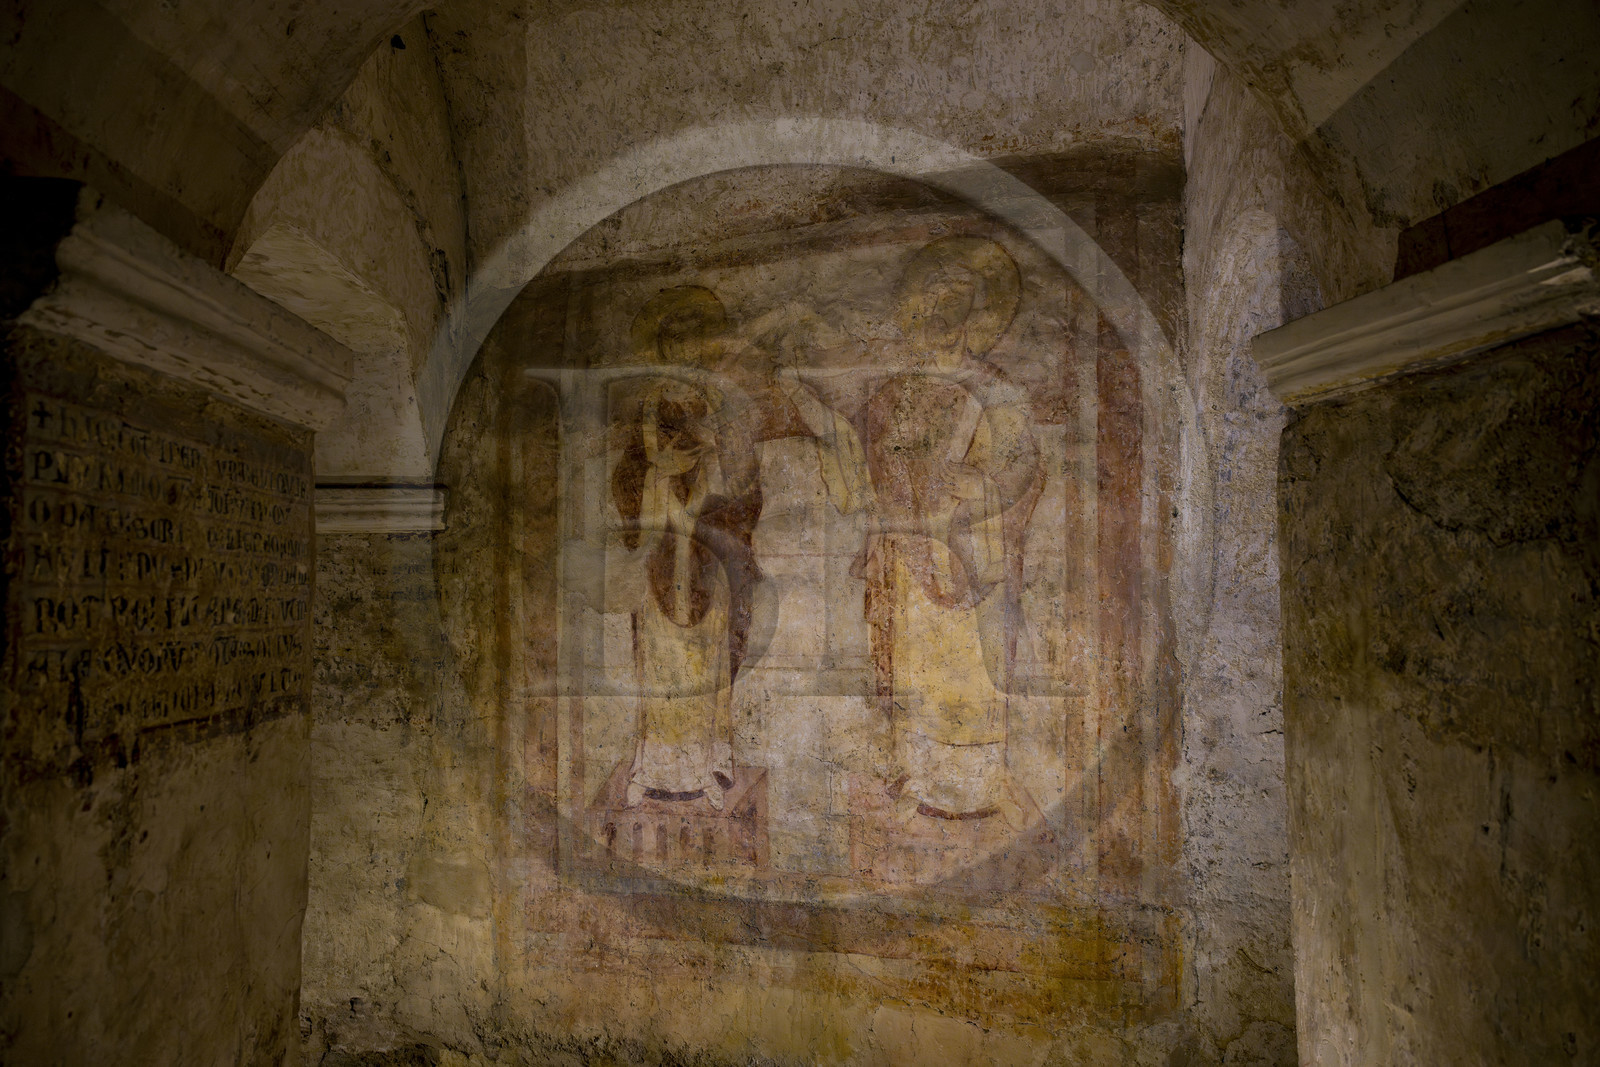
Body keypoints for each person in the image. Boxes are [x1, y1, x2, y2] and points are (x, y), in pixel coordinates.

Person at [856, 236, 1044, 829]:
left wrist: (984, 491)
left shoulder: (998, 392)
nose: (939, 314)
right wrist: (906, 508)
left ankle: (977, 785)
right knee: (913, 664)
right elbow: (881, 466)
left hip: (974, 553)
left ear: (975, 313)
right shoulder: (896, 392)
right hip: (912, 553)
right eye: (929, 301)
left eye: (954, 301)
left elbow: (1024, 471)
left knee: (969, 672)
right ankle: (917, 775)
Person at [610, 287, 760, 811]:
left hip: (709, 554)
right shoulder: (650, 406)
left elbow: (745, 482)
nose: (686, 352)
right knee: (661, 665)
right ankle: (656, 766)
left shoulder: (719, 406)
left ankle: (707, 762)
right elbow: (626, 477)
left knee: (706, 661)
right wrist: (658, 473)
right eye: (676, 341)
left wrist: (718, 463)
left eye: (696, 342)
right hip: (660, 551)